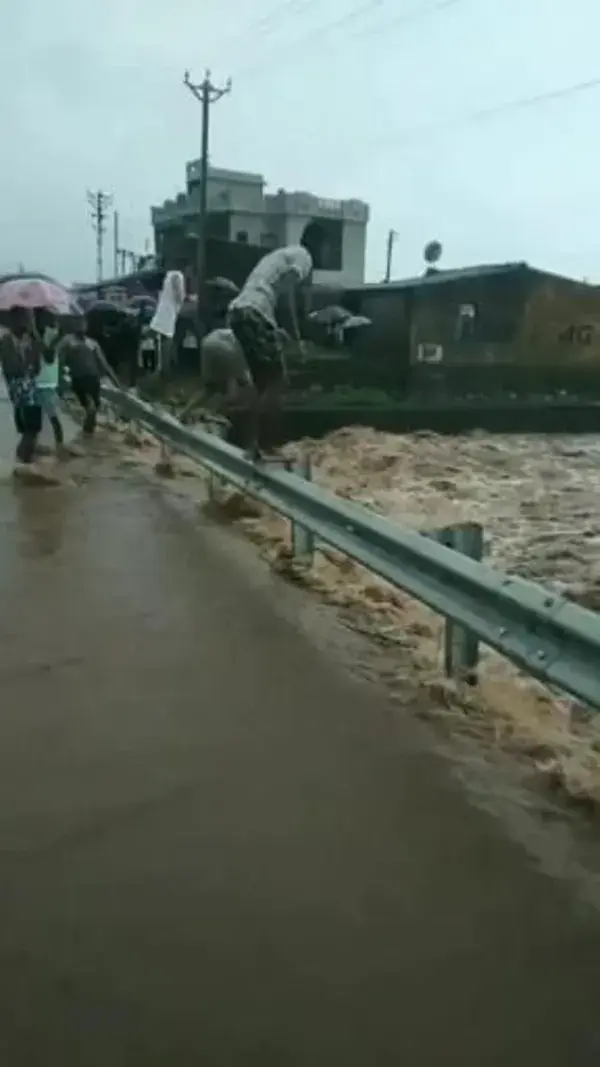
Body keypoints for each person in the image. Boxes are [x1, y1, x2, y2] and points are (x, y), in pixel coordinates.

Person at [227, 244, 313, 457]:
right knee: (278, 381)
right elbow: (286, 296)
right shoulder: (303, 257)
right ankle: (263, 444)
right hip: (254, 313)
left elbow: (270, 290)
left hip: (238, 313)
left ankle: (251, 444)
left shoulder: (275, 256)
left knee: (261, 384)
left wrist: (276, 330)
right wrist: (296, 337)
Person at [56, 315, 119, 435]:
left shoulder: (92, 343)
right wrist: (60, 381)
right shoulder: (67, 341)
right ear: (74, 325)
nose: (81, 326)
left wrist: (115, 381)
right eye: (79, 323)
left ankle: (87, 435)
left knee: (94, 408)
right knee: (90, 407)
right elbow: (59, 361)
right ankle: (86, 432)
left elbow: (104, 364)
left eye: (84, 323)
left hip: (94, 379)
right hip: (79, 379)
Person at [0, 306, 43, 464]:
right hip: (18, 389)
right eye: (24, 317)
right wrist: (27, 361)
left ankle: (24, 465)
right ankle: (21, 464)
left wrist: (35, 347)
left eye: (29, 317)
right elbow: (11, 368)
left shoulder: (31, 340)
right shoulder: (6, 340)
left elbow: (37, 368)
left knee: (35, 429)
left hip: (31, 388)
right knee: (29, 429)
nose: (27, 320)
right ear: (14, 319)